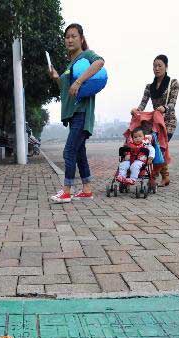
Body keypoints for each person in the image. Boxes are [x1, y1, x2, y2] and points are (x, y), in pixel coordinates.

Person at [48, 23, 105, 203]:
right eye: (67, 37)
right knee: (79, 152)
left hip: (82, 112)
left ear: (81, 39)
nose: (70, 39)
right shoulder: (70, 64)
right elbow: (67, 90)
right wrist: (58, 78)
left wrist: (79, 81)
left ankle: (66, 191)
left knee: (69, 151)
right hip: (73, 114)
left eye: (73, 36)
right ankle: (87, 189)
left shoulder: (86, 56)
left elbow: (100, 62)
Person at [132, 54, 179, 186]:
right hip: (156, 122)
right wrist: (136, 111)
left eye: (160, 66)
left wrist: (164, 108)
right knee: (156, 146)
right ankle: (166, 177)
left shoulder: (173, 83)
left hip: (168, 122)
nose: (156, 68)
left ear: (166, 67)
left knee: (160, 147)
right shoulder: (149, 87)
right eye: (154, 66)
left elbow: (172, 103)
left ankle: (153, 176)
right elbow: (142, 104)